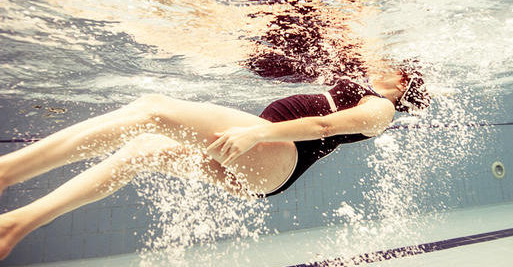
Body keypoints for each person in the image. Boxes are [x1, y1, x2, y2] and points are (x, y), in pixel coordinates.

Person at [0, 64, 430, 259]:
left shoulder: (381, 110)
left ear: (401, 80)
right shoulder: (359, 83)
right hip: (260, 162)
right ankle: (17, 223)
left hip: (275, 156)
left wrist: (257, 132)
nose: (379, 63)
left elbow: (321, 128)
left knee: (153, 108)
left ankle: (6, 173)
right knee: (140, 149)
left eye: (389, 63)